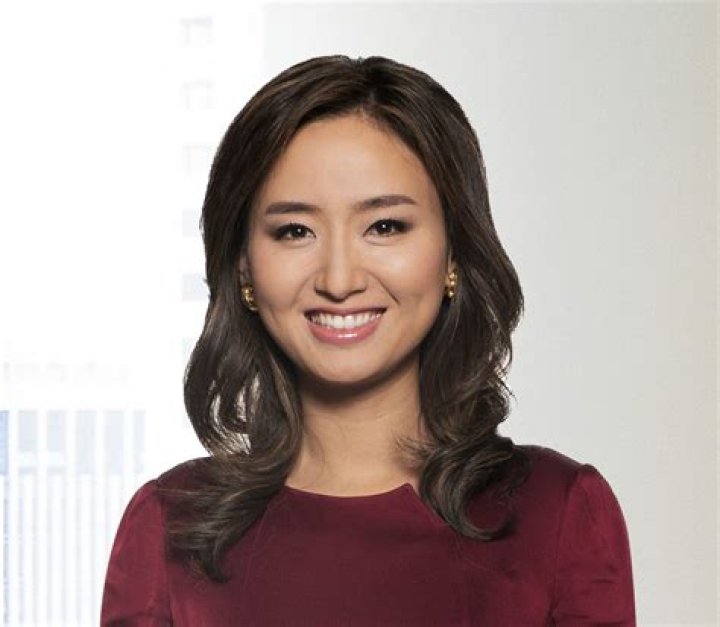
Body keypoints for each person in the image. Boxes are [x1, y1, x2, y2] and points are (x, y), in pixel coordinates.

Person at [101, 54, 635, 625]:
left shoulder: (557, 514)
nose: (339, 280)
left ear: (454, 254)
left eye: (385, 227)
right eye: (295, 231)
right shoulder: (171, 527)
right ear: (244, 268)